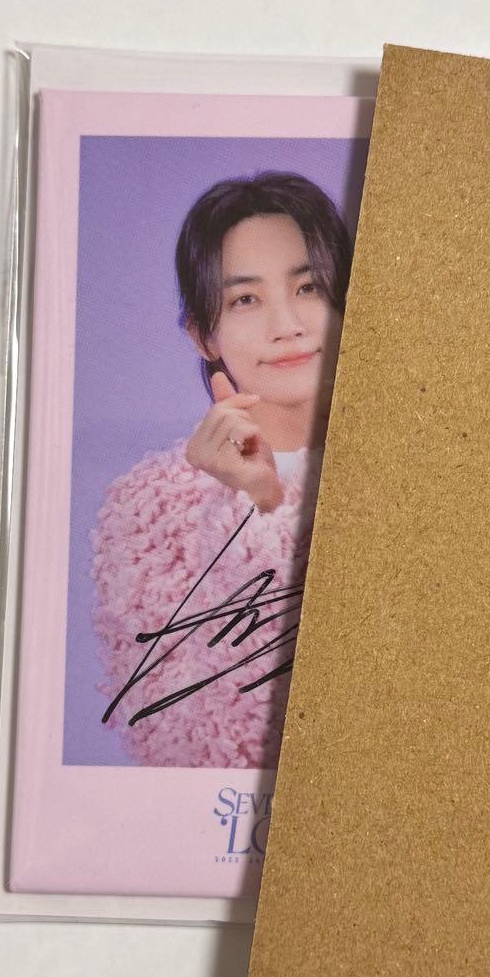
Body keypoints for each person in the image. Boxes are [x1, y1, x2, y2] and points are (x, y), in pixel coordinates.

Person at [90, 171, 353, 768]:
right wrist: (258, 505)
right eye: (245, 300)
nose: (287, 325)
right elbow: (173, 744)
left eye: (310, 287)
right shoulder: (147, 509)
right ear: (203, 335)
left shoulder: (419, 477)